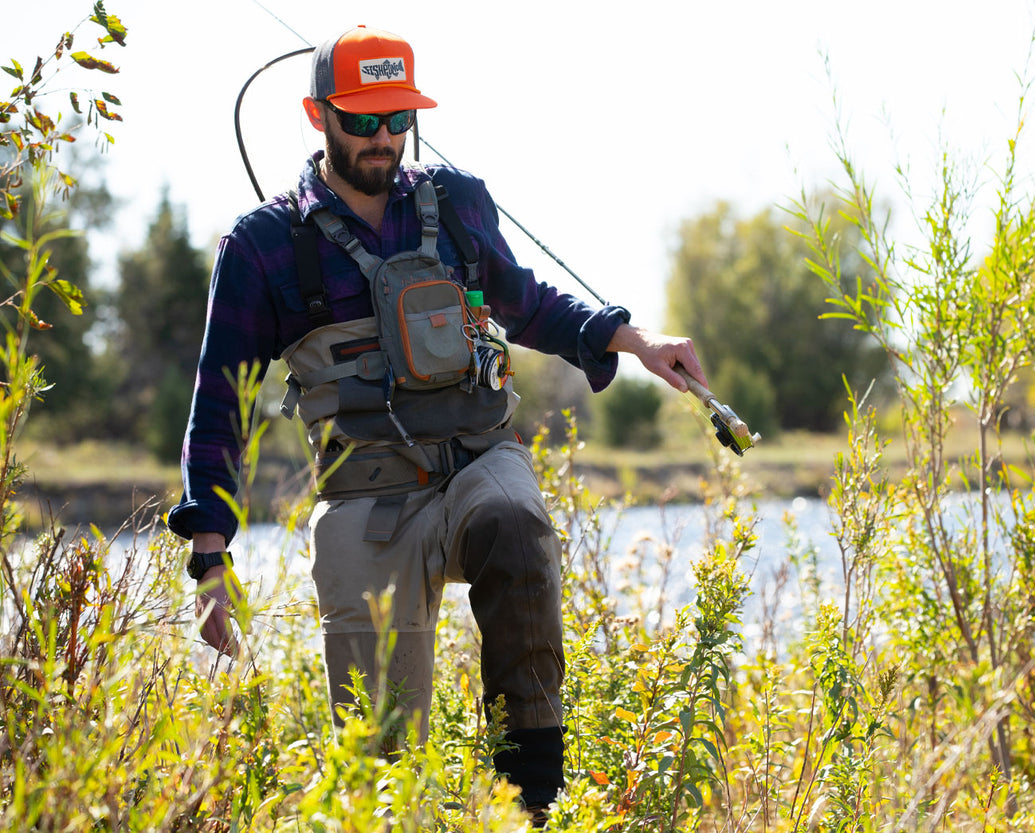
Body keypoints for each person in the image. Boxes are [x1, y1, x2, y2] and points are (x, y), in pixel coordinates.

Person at [166, 25, 707, 819]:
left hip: (477, 462)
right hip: (365, 500)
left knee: (516, 519)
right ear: (317, 115)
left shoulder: (458, 204)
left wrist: (634, 340)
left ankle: (532, 800)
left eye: (398, 118)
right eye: (362, 120)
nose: (383, 138)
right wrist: (210, 561)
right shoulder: (263, 246)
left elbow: (527, 303)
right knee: (382, 752)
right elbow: (221, 399)